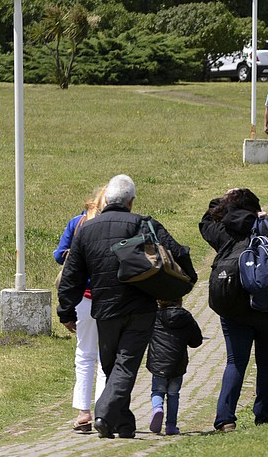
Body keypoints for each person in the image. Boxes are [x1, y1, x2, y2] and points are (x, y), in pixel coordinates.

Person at [57, 174, 198, 439]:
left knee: (115, 366)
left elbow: (71, 275)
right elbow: (178, 252)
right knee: (122, 367)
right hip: (139, 309)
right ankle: (110, 416)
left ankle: (118, 423)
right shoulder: (144, 224)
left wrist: (66, 310)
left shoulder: (86, 229)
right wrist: (188, 280)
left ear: (106, 200)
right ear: (131, 202)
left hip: (105, 310)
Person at [199, 187, 268, 432]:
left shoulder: (223, 230)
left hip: (235, 307)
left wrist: (222, 200)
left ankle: (225, 418)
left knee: (235, 361)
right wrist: (266, 219)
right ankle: (264, 414)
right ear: (256, 206)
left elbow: (205, 221)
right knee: (267, 363)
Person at [54, 185, 108, 433]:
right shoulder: (117, 223)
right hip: (111, 298)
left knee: (85, 354)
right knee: (109, 357)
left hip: (83, 297)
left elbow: (58, 255)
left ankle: (83, 413)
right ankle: (104, 412)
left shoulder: (77, 223)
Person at [146, 298, 203, 436]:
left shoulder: (155, 316)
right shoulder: (186, 317)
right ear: (180, 300)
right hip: (177, 364)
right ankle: (171, 426)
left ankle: (157, 408)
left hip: (158, 362)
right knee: (173, 395)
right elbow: (196, 341)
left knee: (157, 391)